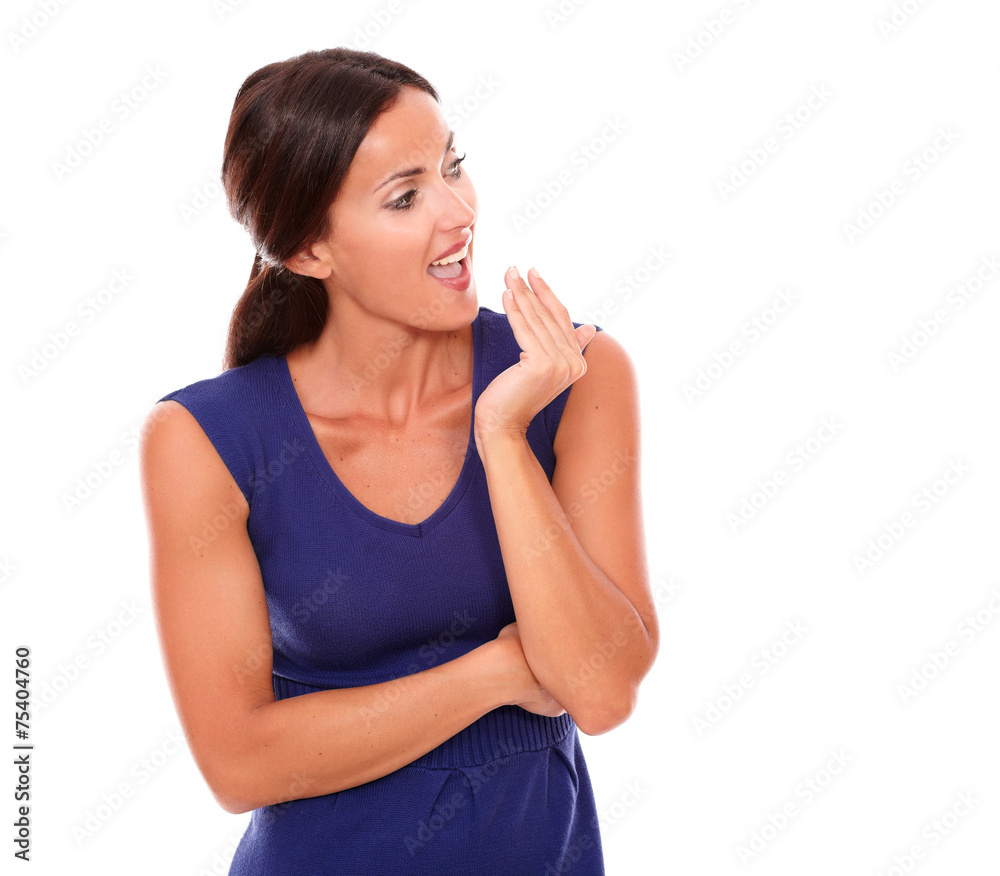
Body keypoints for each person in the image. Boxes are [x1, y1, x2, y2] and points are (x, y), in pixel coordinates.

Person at [138, 47, 659, 875]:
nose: (459, 211)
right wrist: (496, 673)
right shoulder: (202, 438)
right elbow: (239, 763)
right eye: (406, 197)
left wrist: (502, 437)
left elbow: (599, 692)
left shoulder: (572, 376)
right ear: (311, 250)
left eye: (453, 166)